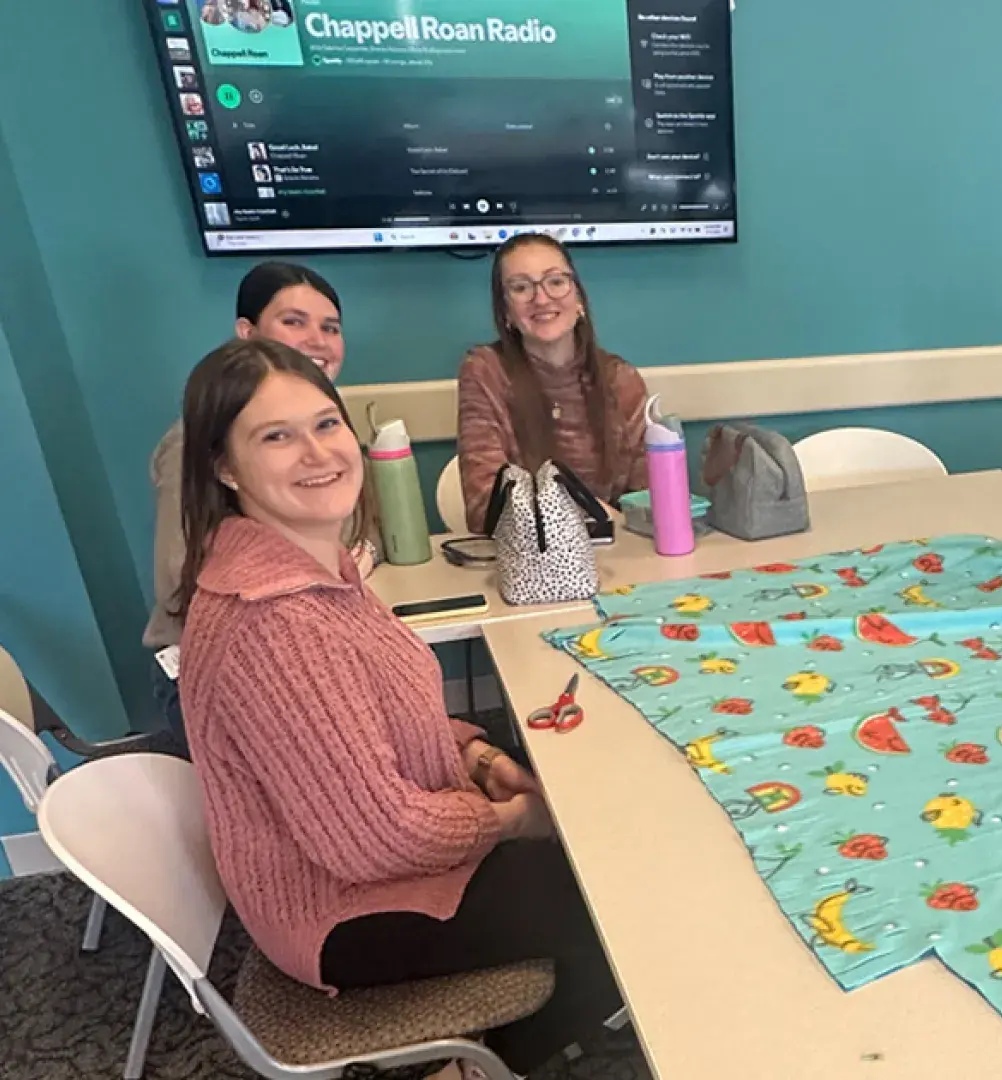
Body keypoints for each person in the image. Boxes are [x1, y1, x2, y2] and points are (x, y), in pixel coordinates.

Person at [175, 339, 624, 1080]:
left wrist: (477, 757)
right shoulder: (273, 621)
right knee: (622, 895)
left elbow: (384, 715)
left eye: (325, 425)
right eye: (276, 437)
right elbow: (373, 839)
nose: (316, 452)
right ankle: (472, 1068)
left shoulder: (316, 565)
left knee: (590, 816)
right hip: (343, 907)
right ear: (225, 467)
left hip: (385, 851)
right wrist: (511, 822)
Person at [145, 261, 354, 746]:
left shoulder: (327, 444)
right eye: (294, 321)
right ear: (247, 332)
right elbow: (184, 584)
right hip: (214, 670)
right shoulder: (195, 446)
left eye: (330, 327)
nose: (317, 340)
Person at [456, 234, 651, 533]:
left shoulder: (620, 378)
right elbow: (485, 507)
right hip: (531, 564)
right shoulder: (485, 371)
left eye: (556, 281)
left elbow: (650, 502)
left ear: (579, 298)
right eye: (521, 287)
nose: (542, 298)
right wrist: (591, 511)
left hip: (619, 556)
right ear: (506, 311)